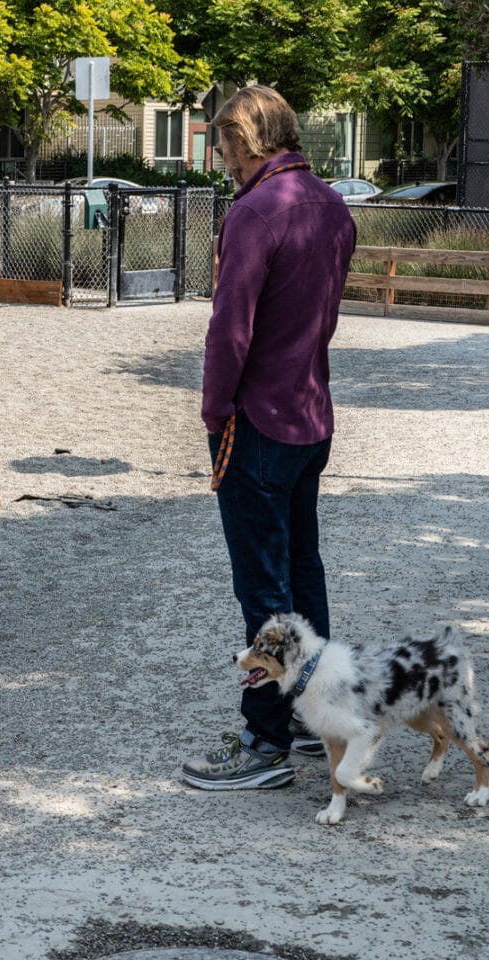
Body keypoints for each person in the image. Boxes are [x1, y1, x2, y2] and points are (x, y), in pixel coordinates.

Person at [180, 86, 357, 790]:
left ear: (248, 141)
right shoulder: (333, 206)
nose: (222, 159)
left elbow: (230, 330)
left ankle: (264, 744)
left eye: (224, 145)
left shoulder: (256, 211)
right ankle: (319, 716)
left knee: (264, 585)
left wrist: (214, 410)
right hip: (311, 411)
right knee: (302, 570)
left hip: (258, 420)